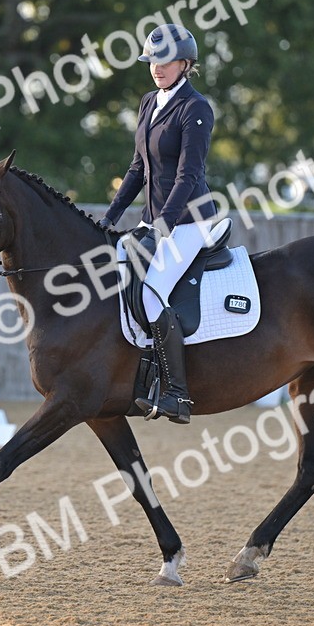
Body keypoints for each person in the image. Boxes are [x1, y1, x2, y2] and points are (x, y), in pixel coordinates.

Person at [98, 23, 216, 424]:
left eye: (164, 61)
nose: (157, 68)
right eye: (152, 61)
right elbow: (137, 170)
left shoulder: (195, 109)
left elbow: (187, 176)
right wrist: (109, 217)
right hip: (155, 221)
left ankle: (178, 396)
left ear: (185, 63)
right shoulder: (150, 102)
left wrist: (163, 225)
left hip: (189, 222)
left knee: (151, 293)